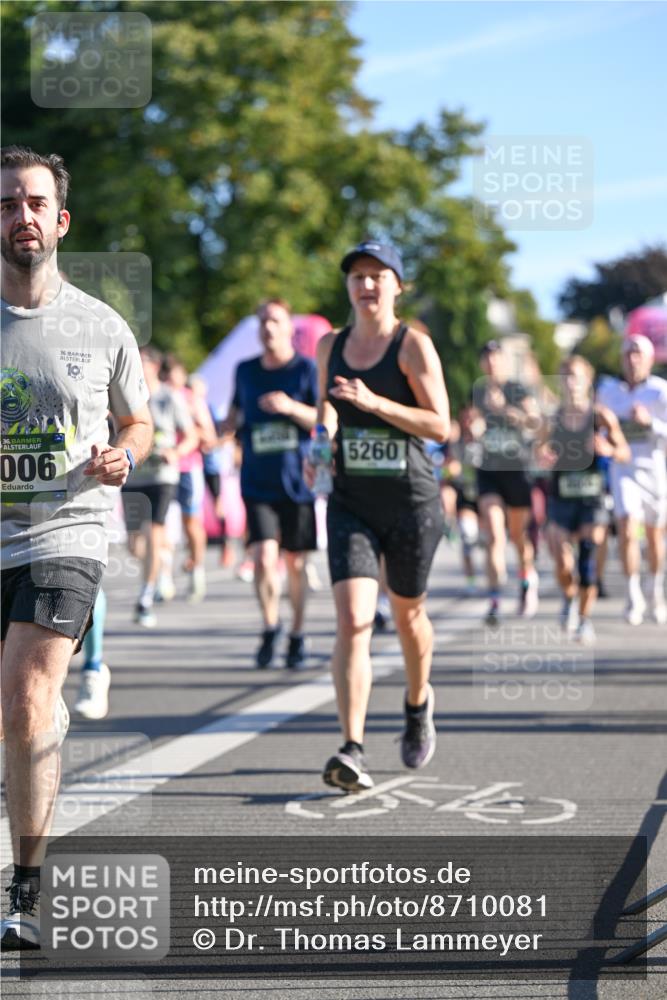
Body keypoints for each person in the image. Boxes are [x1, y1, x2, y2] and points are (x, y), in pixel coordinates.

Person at [0, 145, 153, 949]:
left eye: (33, 203)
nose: (20, 216)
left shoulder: (101, 325)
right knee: (19, 711)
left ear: (59, 221)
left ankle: (24, 889)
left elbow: (140, 420)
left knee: (24, 699)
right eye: (5, 204)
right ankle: (40, 728)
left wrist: (126, 453)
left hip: (66, 530)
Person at [311, 240, 450, 792]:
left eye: (377, 276)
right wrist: (323, 434)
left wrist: (374, 404)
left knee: (409, 616)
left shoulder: (413, 346)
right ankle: (352, 747)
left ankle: (418, 703)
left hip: (412, 503)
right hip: (351, 501)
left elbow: (441, 427)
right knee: (352, 621)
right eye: (357, 277)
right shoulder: (330, 345)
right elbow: (328, 401)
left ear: (397, 285)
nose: (366, 285)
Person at [221, 299, 318, 669]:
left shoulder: (306, 369)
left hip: (297, 482)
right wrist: (223, 429)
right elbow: (233, 416)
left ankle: (296, 632)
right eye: (262, 321)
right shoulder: (245, 371)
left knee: (296, 563)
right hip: (257, 481)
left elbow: (322, 422)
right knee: (263, 558)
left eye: (274, 321)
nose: (267, 328)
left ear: (289, 327)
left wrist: (291, 408)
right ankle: (270, 625)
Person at [541, 356, 629, 644]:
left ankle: (585, 618)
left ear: (587, 380)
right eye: (565, 376)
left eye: (576, 376)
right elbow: (537, 450)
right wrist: (542, 456)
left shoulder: (601, 416)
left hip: (592, 497)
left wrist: (608, 450)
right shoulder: (552, 418)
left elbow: (624, 452)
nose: (570, 382)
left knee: (587, 561)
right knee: (563, 564)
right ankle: (569, 598)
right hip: (562, 495)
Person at [121, 346, 198, 627]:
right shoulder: (124, 396)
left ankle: (145, 596)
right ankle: (160, 565)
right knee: (133, 544)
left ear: (154, 366)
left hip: (163, 476)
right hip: (134, 476)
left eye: (142, 363)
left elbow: (191, 435)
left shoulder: (169, 397)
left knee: (153, 532)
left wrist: (176, 453)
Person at [597, 335, 667, 624]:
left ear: (650, 359)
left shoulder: (660, 392)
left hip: (655, 472)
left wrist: (649, 422)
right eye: (627, 353)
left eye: (638, 354)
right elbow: (599, 430)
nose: (632, 359)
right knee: (626, 529)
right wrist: (604, 444)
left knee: (654, 538)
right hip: (623, 471)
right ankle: (632, 593)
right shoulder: (609, 393)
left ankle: (655, 589)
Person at [472, 340, 540, 625]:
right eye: (487, 358)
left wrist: (506, 412)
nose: (491, 363)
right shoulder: (477, 390)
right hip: (489, 470)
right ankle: (495, 600)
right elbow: (472, 421)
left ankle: (527, 581)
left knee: (518, 537)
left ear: (503, 361)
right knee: (494, 535)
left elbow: (534, 422)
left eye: (496, 358)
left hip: (516, 470)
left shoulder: (517, 388)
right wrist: (473, 428)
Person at [162, 358, 217, 602]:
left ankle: (197, 569)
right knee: (160, 525)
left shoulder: (192, 399)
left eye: (178, 374)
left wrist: (194, 424)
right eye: (170, 375)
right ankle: (163, 577)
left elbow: (210, 438)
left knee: (191, 522)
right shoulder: (156, 396)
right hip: (163, 469)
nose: (174, 379)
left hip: (188, 467)